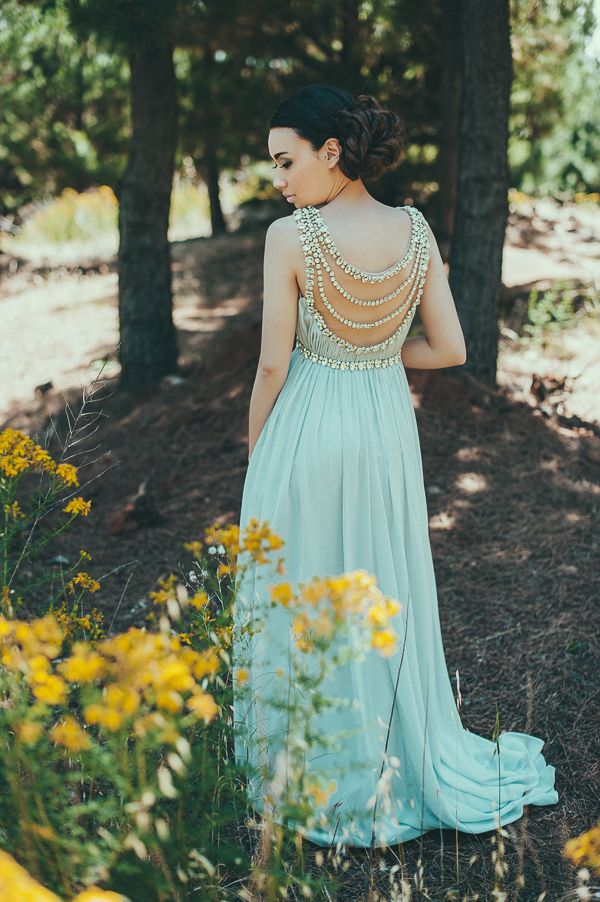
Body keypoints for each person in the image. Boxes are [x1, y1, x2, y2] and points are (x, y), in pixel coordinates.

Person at [232, 83, 558, 849]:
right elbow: (452, 349)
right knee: (380, 584)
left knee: (300, 585)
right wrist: (377, 355)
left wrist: (258, 455)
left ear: (331, 152)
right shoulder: (414, 231)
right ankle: (390, 751)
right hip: (383, 426)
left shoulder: (292, 237)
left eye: (286, 162)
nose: (280, 181)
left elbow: (272, 365)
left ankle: (306, 764)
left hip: (308, 422)